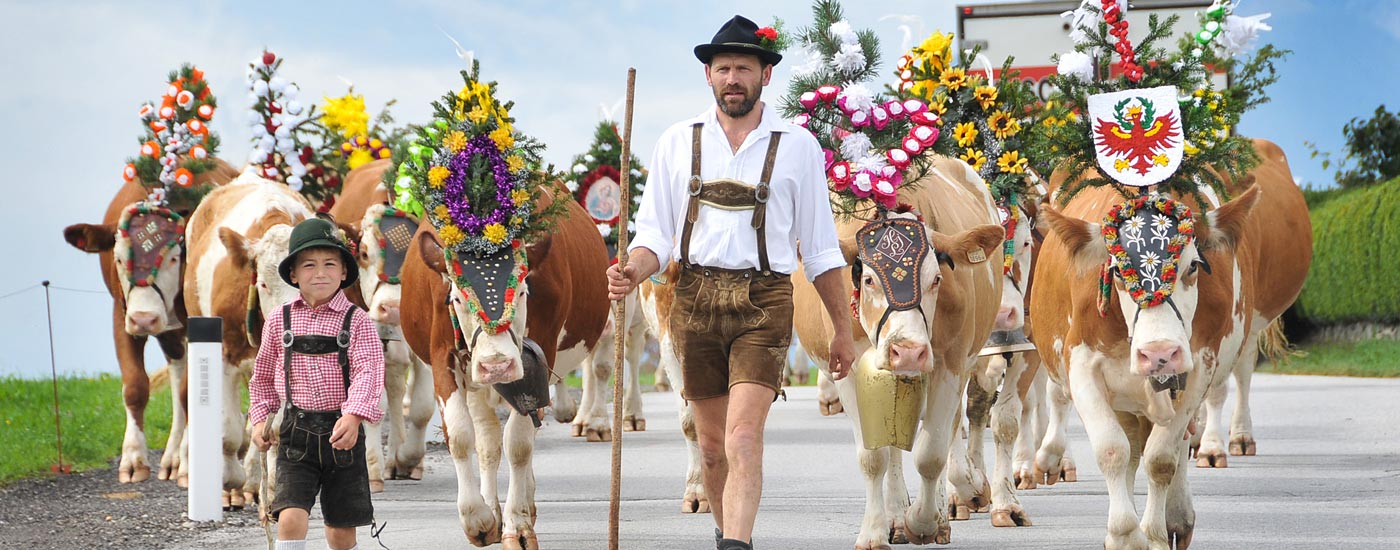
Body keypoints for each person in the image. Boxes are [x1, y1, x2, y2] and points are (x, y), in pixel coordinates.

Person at [606, 14, 856, 550]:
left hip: (764, 301)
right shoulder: (677, 142)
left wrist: (842, 329)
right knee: (713, 447)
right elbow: (654, 238)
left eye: (745, 67)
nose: (733, 78)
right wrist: (632, 269)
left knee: (744, 437)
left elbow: (819, 250)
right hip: (693, 300)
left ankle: (735, 545)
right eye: (724, 68)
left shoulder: (798, 146)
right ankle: (728, 533)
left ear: (766, 74)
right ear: (709, 76)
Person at [249, 218, 385, 550]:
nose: (319, 273)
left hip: (343, 437)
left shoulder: (358, 321)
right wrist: (258, 418)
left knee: (340, 531)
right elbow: (263, 376)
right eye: (308, 265)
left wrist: (353, 416)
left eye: (329, 264)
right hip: (295, 434)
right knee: (290, 515)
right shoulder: (279, 320)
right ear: (293, 274)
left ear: (343, 272)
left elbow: (369, 371)